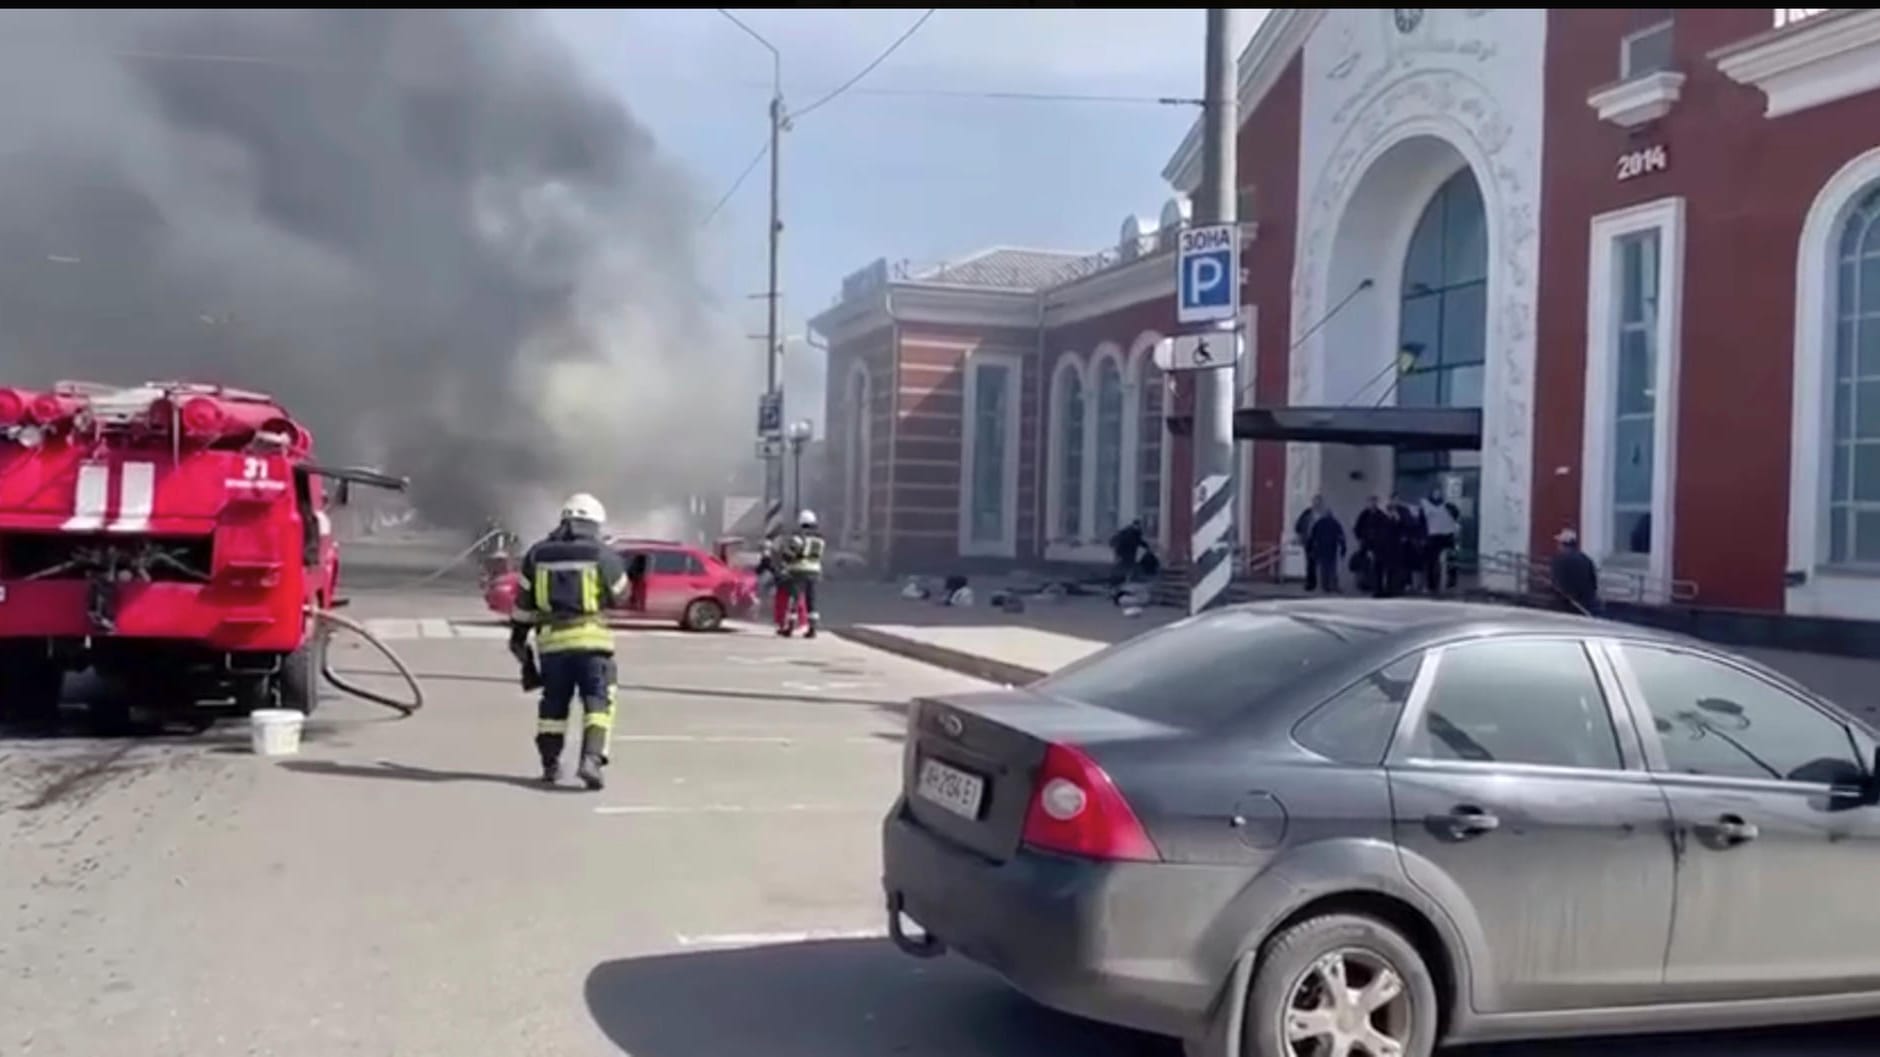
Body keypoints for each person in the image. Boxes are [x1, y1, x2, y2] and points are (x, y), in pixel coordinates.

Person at [507, 492, 629, 790]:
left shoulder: (537, 554)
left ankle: (550, 764)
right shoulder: (601, 553)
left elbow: (523, 605)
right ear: (595, 523)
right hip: (592, 644)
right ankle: (591, 759)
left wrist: (518, 641)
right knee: (598, 703)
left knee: (553, 707)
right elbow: (621, 595)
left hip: (552, 646)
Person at [779, 509, 826, 638]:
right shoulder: (820, 540)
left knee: (794, 599)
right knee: (812, 601)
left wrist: (784, 560)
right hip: (815, 571)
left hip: (798, 571)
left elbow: (789, 554)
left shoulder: (799, 538)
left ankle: (790, 627)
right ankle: (812, 629)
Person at [1549, 527, 1601, 616]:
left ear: (1562, 544)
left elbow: (1556, 583)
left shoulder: (1559, 560)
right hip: (1586, 603)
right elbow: (1593, 582)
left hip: (1566, 603)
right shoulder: (1586, 559)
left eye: (1559, 543)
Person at [1420, 486, 1462, 594]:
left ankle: (1451, 583)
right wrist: (1423, 537)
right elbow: (1422, 522)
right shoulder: (1426, 506)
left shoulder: (1447, 505)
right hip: (1433, 536)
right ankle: (1431, 585)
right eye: (1435, 492)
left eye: (1438, 492)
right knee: (1431, 562)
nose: (1437, 494)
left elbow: (1456, 514)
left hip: (1446, 535)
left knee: (1451, 559)